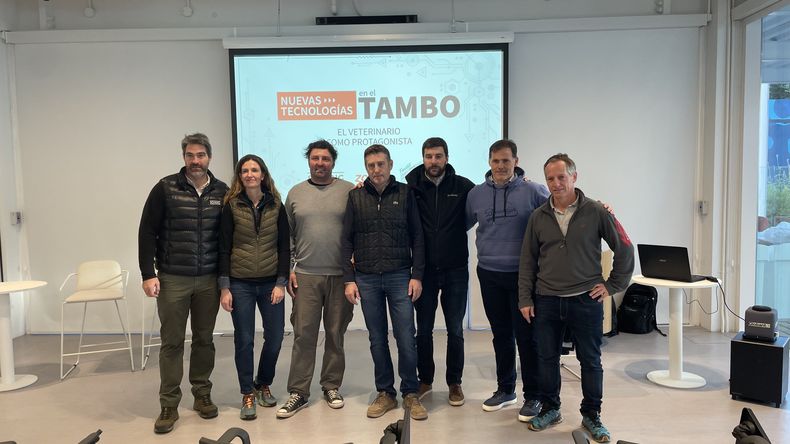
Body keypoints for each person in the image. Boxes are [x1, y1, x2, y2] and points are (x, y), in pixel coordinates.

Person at [518, 153, 634, 443]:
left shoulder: (596, 211)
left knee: (590, 361)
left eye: (561, 177)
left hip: (585, 300)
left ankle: (592, 415)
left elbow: (625, 247)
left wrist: (613, 285)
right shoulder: (538, 216)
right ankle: (551, 409)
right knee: (546, 358)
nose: (556, 183)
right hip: (546, 300)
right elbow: (527, 261)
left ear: (574, 176)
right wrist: (525, 299)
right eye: (550, 178)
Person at [138, 133, 228, 434]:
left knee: (204, 339)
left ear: (209, 157)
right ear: (184, 157)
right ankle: (168, 404)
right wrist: (147, 273)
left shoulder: (222, 191)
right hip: (173, 278)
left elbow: (225, 239)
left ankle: (202, 394)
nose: (195, 161)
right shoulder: (165, 188)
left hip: (208, 280)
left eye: (200, 155)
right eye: (190, 155)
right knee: (172, 342)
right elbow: (147, 232)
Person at [341, 144, 428, 420]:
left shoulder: (405, 193)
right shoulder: (355, 197)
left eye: (381, 164)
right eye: (371, 165)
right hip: (366, 278)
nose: (376, 170)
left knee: (406, 337)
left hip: (400, 275)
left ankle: (411, 393)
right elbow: (346, 240)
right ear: (366, 168)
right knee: (377, 338)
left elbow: (418, 237)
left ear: (390, 164)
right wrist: (349, 280)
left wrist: (417, 275)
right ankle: (385, 393)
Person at [465, 139, 549, 422]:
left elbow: (559, 214)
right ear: (489, 162)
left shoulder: (534, 190)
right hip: (489, 273)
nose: (500, 166)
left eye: (506, 160)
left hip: (523, 277)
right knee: (501, 334)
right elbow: (461, 224)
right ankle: (505, 389)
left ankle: (534, 395)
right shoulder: (476, 194)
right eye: (496, 161)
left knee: (526, 337)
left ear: (516, 161)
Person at [276, 140, 355, 419]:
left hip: (340, 276)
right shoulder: (295, 193)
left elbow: (357, 231)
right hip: (306, 276)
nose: (320, 163)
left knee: (335, 334)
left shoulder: (349, 191)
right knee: (304, 335)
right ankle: (298, 392)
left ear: (333, 161)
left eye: (325, 158)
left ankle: (331, 386)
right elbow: (288, 236)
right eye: (315, 158)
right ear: (308, 161)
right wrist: (290, 269)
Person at [218, 154, 289, 421]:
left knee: (276, 337)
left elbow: (285, 247)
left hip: (271, 283)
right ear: (240, 176)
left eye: (254, 170)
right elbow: (223, 248)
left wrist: (281, 282)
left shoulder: (276, 205)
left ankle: (263, 383)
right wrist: (225, 287)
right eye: (245, 170)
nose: (250, 174)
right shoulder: (231, 206)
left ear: (263, 175)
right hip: (240, 284)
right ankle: (247, 392)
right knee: (244, 340)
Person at [405, 137, 475, 406]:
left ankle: (454, 382)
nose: (433, 161)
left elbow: (478, 209)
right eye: (428, 156)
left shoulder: (464, 186)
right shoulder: (411, 186)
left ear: (447, 157)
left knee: (455, 329)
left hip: (455, 269)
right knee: (423, 330)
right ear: (423, 158)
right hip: (424, 271)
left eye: (438, 156)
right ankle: (425, 379)